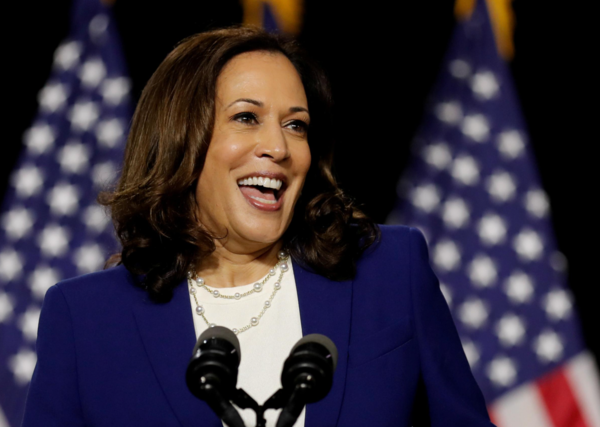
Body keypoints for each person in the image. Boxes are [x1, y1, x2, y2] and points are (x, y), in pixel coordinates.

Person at [22, 27, 494, 427]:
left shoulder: (390, 271)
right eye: (246, 118)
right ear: (181, 139)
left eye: (296, 125)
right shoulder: (85, 318)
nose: (278, 146)